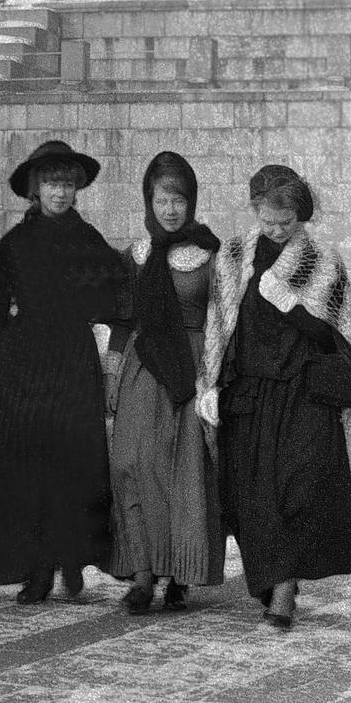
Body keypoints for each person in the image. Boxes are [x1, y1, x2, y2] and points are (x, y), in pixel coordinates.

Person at [0, 137, 130, 604]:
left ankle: (71, 559)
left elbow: (113, 297)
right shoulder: (16, 244)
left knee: (73, 463)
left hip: (73, 363)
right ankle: (37, 566)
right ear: (35, 189)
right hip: (26, 365)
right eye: (52, 183)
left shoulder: (88, 240)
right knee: (29, 467)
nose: (61, 192)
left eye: (68, 183)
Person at [199, 163, 351, 631]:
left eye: (285, 220)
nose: (275, 228)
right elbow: (219, 324)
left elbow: (336, 334)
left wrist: (290, 302)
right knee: (254, 495)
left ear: (301, 215)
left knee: (298, 488)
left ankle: (285, 589)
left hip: (304, 393)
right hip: (248, 392)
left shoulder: (323, 262)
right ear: (254, 210)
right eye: (267, 218)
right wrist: (209, 382)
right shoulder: (232, 256)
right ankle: (271, 578)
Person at [106, 150, 224, 613]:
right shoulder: (135, 256)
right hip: (143, 368)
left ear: (191, 202)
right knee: (132, 465)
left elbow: (221, 320)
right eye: (161, 199)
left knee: (184, 473)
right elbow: (119, 320)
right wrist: (112, 373)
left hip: (193, 370)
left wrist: (214, 378)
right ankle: (141, 572)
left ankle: (179, 572)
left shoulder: (211, 255)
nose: (170, 209)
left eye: (178, 199)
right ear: (148, 201)